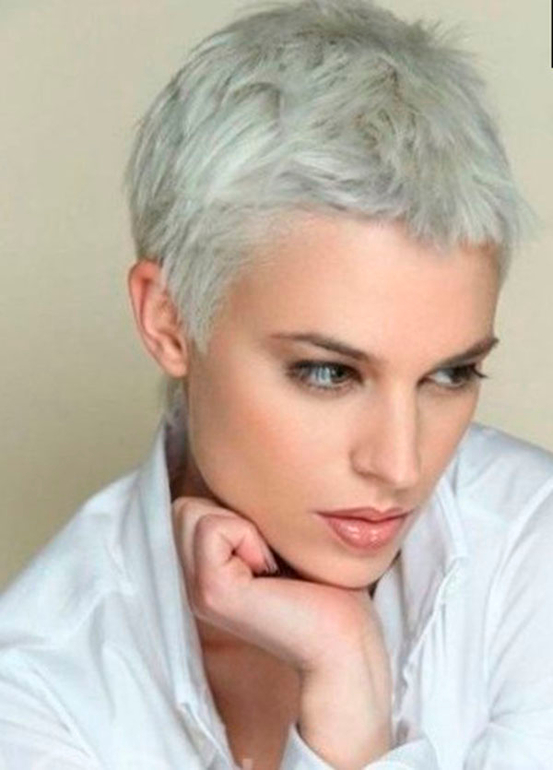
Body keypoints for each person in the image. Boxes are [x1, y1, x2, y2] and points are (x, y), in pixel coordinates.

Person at [1, 0, 552, 768]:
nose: (399, 465)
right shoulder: (35, 693)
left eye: (448, 374)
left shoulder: (531, 554)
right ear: (168, 321)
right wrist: (341, 683)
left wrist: (345, 677)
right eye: (328, 373)